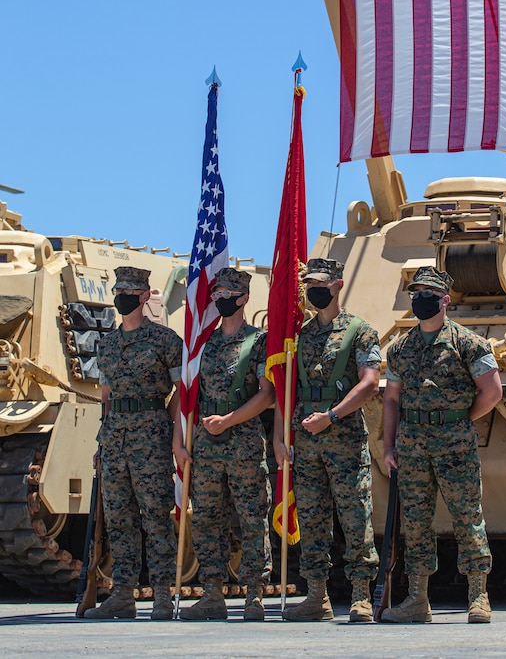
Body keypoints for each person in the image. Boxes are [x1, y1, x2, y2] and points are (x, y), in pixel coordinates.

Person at [382, 266, 503, 625]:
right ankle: (418, 599)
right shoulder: (400, 348)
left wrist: (459, 419)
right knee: (416, 523)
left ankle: (478, 596)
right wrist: (389, 447)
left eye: (428, 294)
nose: (420, 300)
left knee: (467, 517)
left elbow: (492, 392)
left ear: (445, 300)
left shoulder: (469, 343)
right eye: (415, 293)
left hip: (455, 445)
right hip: (412, 446)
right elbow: (391, 399)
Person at [274, 257, 381, 623]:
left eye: (320, 283)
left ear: (338, 284)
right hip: (306, 442)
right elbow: (284, 389)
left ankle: (361, 596)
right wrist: (281, 435)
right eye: (309, 284)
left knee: (355, 518)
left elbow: (369, 383)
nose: (313, 290)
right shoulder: (300, 334)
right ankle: (316, 595)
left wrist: (332, 416)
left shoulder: (359, 331)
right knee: (313, 519)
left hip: (344, 439)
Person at [173, 267, 275, 622]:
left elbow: (266, 396)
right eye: (217, 293)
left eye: (228, 293)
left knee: (252, 518)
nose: (220, 299)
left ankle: (254, 595)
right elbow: (184, 397)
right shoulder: (202, 344)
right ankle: (212, 592)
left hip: (243, 439)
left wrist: (228, 421)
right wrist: (178, 441)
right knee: (206, 519)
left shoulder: (259, 341)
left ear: (244, 298)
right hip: (206, 443)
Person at [84, 266, 183, 621]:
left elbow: (182, 393)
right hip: (114, 441)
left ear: (144, 296)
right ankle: (122, 595)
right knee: (119, 519)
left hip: (151, 438)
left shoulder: (166, 341)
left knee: (156, 518)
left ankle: (160, 595)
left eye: (129, 291)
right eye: (118, 290)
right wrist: (101, 441)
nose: (121, 296)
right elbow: (106, 396)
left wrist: (170, 427)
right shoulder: (106, 344)